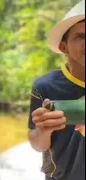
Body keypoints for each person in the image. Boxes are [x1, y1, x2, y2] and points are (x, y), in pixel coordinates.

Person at [28, 1, 85, 180]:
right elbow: (38, 144)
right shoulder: (45, 87)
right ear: (63, 46)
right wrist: (43, 130)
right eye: (81, 36)